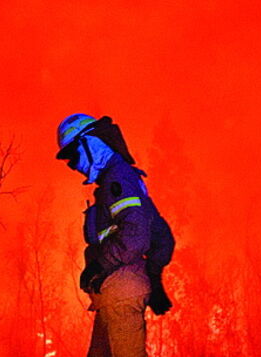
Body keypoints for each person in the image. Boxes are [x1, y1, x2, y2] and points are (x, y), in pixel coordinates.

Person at [56, 114, 174, 357]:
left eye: (73, 156)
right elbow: (161, 236)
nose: (73, 166)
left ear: (90, 143)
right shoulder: (122, 179)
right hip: (114, 293)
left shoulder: (117, 180)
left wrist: (99, 265)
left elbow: (135, 234)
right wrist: (154, 279)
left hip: (120, 293)